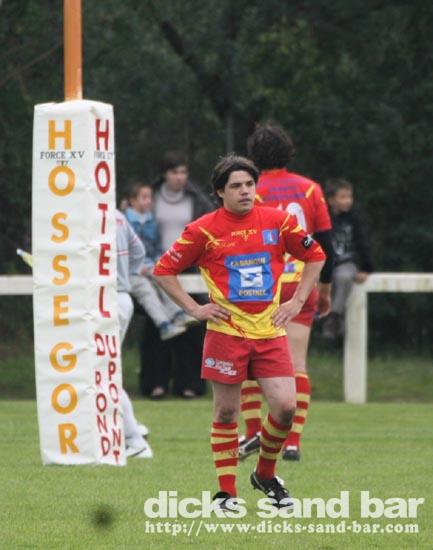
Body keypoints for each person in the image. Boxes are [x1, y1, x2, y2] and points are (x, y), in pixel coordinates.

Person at [153, 154, 325, 508]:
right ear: (220, 192)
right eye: (236, 186)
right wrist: (194, 308)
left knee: (285, 407)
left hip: (270, 332)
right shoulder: (203, 229)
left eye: (249, 184)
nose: (245, 191)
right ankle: (227, 492)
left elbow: (316, 255)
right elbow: (164, 270)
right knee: (226, 412)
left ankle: (264, 474)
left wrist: (297, 301)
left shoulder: (278, 221)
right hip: (226, 333)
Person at [238, 123, 335, 463]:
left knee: (250, 362)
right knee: (296, 363)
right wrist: (324, 289)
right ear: (288, 151)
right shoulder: (310, 189)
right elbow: (326, 245)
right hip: (300, 284)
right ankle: (292, 442)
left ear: (254, 156)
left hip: (261, 285)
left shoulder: (251, 190)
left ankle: (253, 431)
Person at [139, 151, 214, 399]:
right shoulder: (149, 196)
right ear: (164, 174)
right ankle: (155, 384)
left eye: (183, 172)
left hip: (190, 268)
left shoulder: (197, 199)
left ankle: (190, 384)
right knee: (156, 326)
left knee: (191, 325)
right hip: (157, 269)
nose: (179, 177)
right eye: (174, 172)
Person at [125, 183, 194, 341]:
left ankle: (178, 314)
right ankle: (164, 325)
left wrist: (158, 261)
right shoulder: (124, 221)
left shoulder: (152, 221)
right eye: (144, 197)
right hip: (131, 270)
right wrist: (136, 266)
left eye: (150, 197)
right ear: (133, 201)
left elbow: (157, 246)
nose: (149, 201)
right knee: (146, 290)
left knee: (164, 278)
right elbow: (122, 249)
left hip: (150, 264)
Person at [116, 209, 153, 459]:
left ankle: (133, 438)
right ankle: (132, 429)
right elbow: (138, 251)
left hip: (106, 300)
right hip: (122, 297)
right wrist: (126, 275)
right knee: (105, 370)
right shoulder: (117, 215)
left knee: (101, 372)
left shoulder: (87, 214)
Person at [322, 177, 373, 340]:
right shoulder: (322, 217)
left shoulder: (354, 218)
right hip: (325, 263)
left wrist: (366, 268)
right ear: (331, 200)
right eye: (343, 197)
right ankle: (319, 315)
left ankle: (334, 318)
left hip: (346, 262)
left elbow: (362, 242)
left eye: (350, 196)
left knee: (343, 277)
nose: (348, 201)